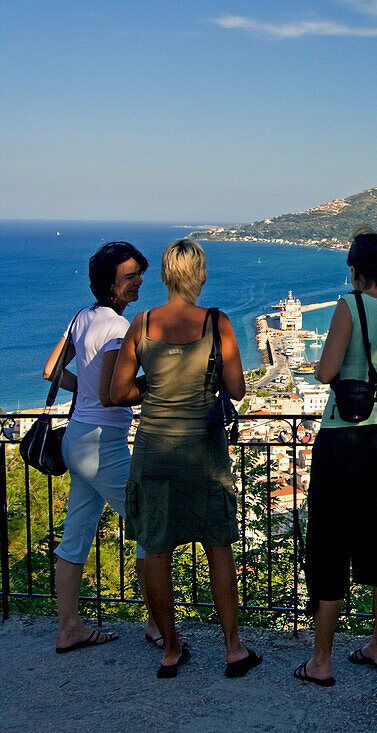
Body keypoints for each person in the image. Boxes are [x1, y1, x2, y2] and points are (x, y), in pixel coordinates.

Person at [110, 238, 260, 679]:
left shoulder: (142, 324)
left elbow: (118, 392)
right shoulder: (218, 323)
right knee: (218, 545)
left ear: (163, 276)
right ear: (201, 276)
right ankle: (233, 648)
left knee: (156, 548)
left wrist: (154, 387)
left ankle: (171, 648)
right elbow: (237, 389)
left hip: (154, 449)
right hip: (203, 452)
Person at [295, 227, 377, 687]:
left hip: (343, 436)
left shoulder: (349, 305)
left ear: (355, 270)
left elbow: (326, 370)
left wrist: (322, 366)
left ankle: (321, 661)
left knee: (329, 541)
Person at [44, 241, 168, 654]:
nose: (139, 282)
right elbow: (115, 394)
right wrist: (156, 386)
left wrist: (89, 393)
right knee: (149, 523)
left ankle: (69, 628)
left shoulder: (82, 317)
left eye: (139, 273)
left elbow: (51, 371)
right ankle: (156, 625)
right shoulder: (118, 329)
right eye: (130, 276)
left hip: (77, 437)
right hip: (103, 444)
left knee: (76, 536)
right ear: (110, 285)